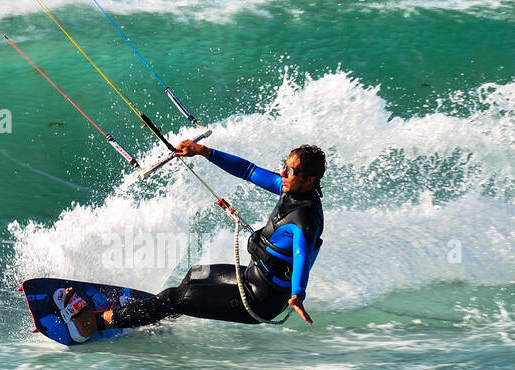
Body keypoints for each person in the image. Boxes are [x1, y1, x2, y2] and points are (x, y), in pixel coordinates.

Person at [56, 141, 325, 340]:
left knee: (175, 296)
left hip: (260, 300)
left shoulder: (306, 219)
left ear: (310, 179)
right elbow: (248, 169)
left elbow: (302, 255)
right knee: (196, 274)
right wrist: (205, 152)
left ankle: (93, 323)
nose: (284, 173)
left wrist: (297, 294)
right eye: (285, 166)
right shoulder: (289, 188)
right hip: (251, 276)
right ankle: (153, 316)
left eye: (291, 170)